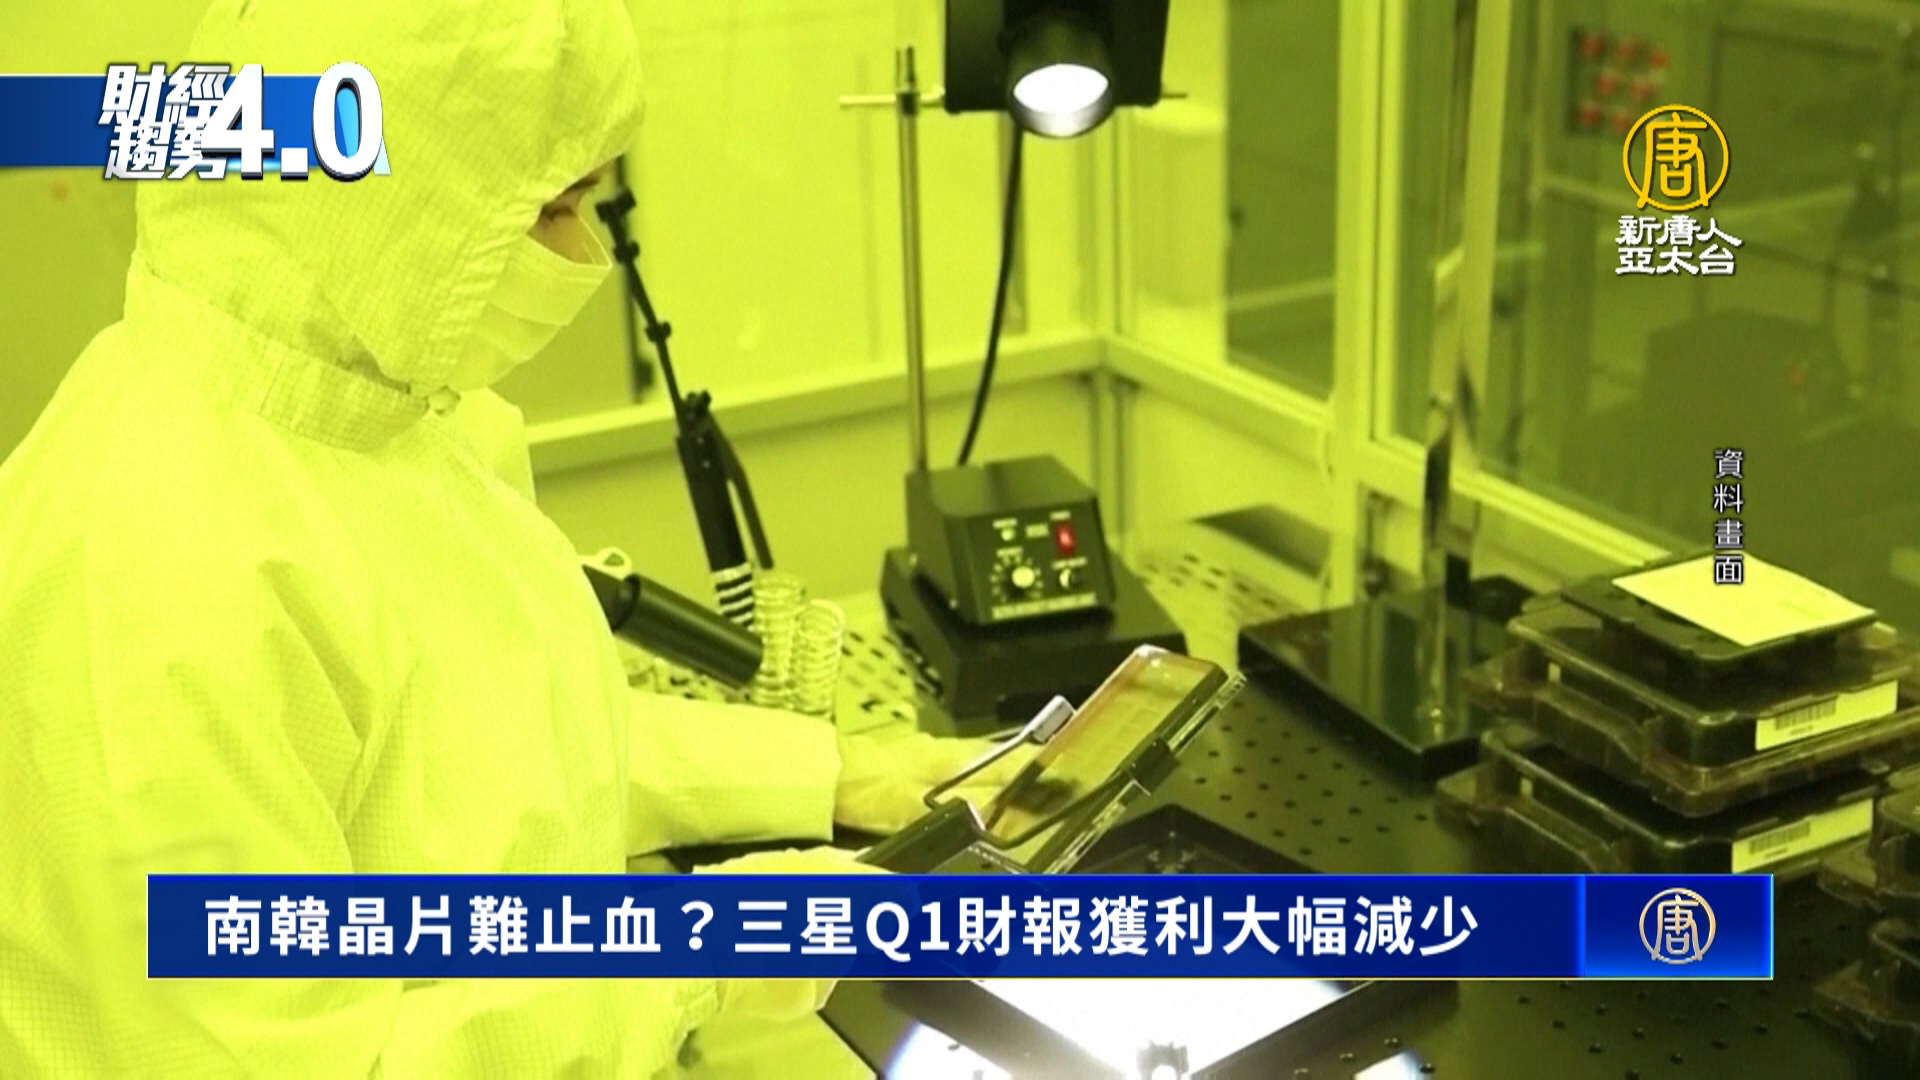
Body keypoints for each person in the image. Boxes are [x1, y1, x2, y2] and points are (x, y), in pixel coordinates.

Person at [0, 0, 1010, 1075]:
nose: (587, 254)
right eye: (553, 208)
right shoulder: (159, 574)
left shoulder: (373, 418)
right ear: (391, 206)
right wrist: (704, 949)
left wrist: (849, 775)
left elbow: (504, 759)